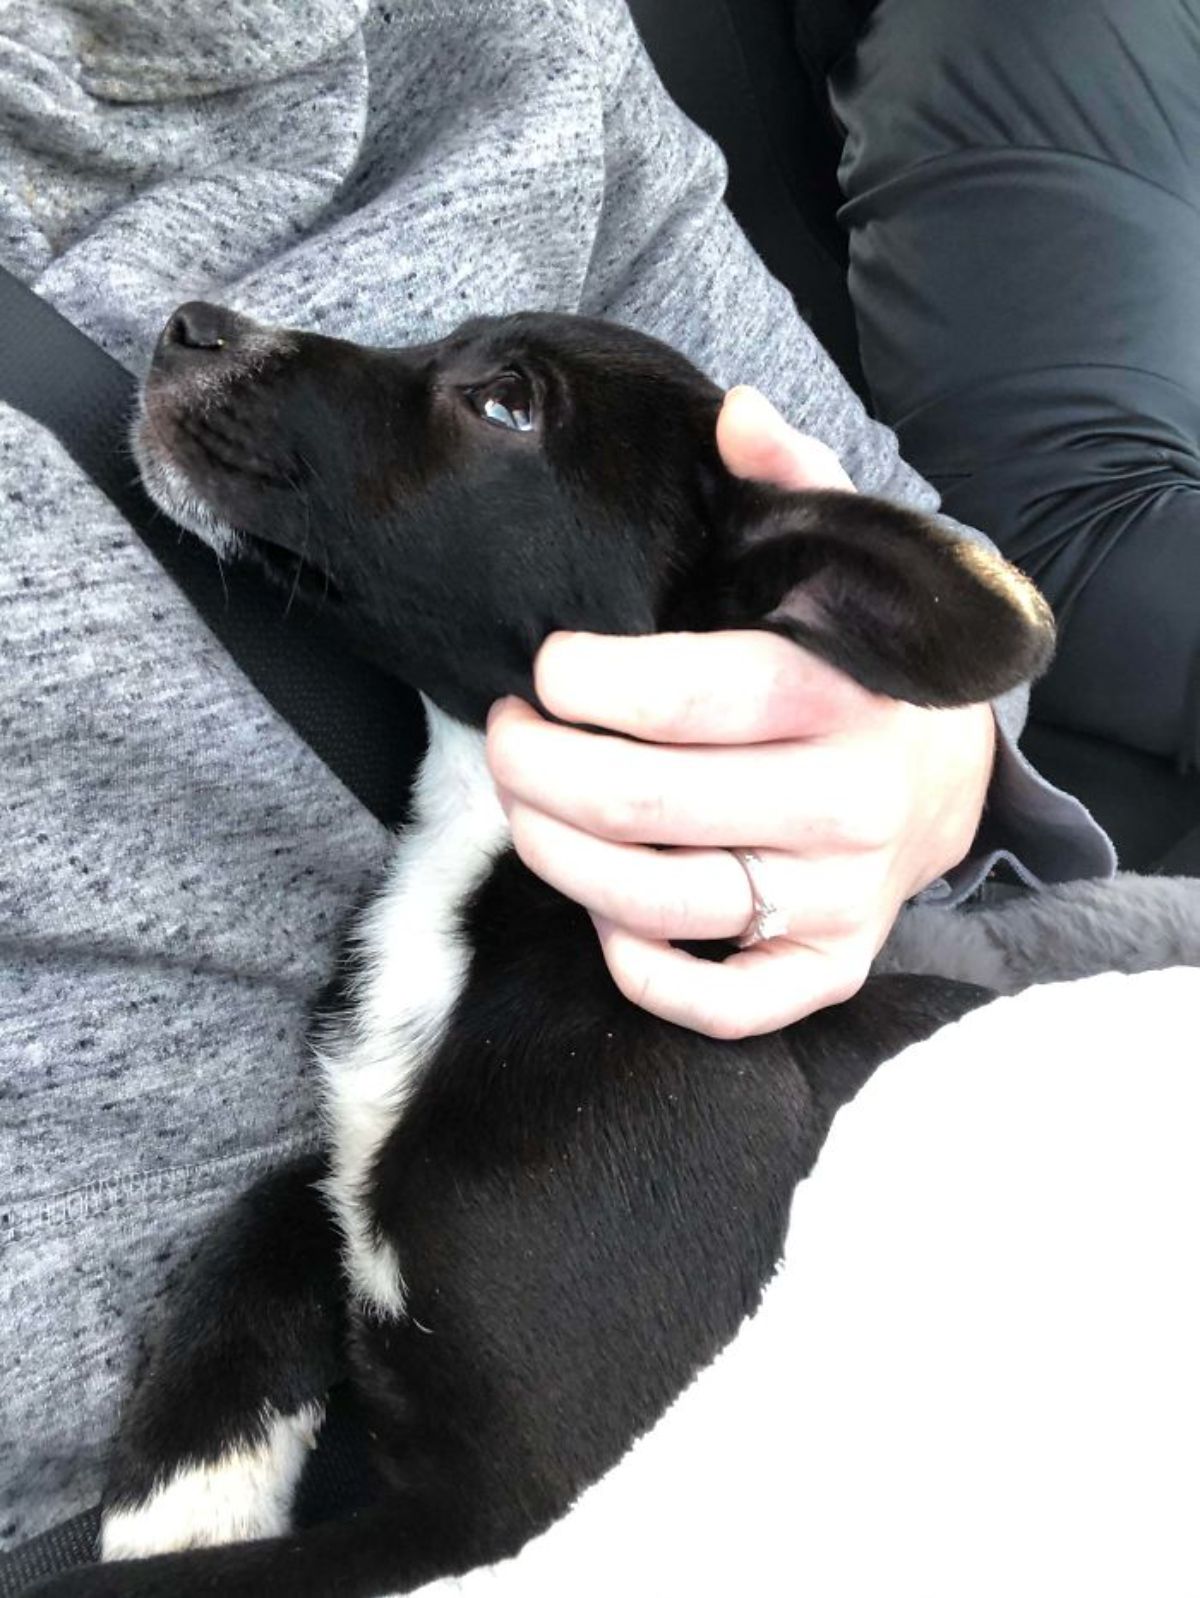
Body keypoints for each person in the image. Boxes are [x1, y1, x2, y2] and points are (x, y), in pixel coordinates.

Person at [0, 0, 1111, 1551]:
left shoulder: (518, 34)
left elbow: (896, 555)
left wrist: (919, 764)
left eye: (499, 398)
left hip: (740, 1154)